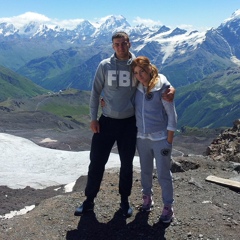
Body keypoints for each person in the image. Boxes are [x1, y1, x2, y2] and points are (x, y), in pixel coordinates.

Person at [74, 32, 175, 218]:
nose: (120, 47)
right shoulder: (104, 65)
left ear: (129, 43)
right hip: (106, 121)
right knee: (96, 161)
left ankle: (124, 201)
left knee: (126, 164)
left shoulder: (136, 65)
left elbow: (156, 76)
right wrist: (93, 118)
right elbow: (95, 93)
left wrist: (171, 89)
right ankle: (89, 201)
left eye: (123, 43)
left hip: (129, 124)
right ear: (113, 46)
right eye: (116, 44)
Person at [131, 56, 177, 223]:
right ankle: (147, 198)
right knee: (145, 170)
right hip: (142, 138)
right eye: (136, 72)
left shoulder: (162, 86)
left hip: (160, 139)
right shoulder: (136, 87)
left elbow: (172, 115)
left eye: (142, 71)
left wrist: (169, 140)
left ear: (150, 69)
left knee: (163, 173)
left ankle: (168, 206)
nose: (139, 75)